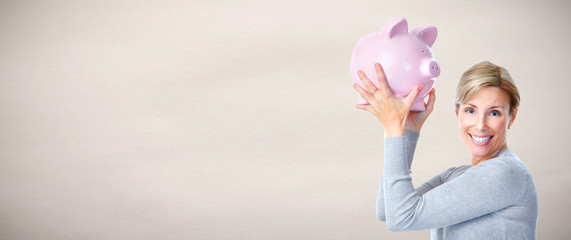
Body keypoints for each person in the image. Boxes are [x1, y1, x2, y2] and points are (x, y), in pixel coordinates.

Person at [353, 61, 538, 239]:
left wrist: (394, 128)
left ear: (511, 117)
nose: (480, 125)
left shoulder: (506, 173)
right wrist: (408, 130)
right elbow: (387, 209)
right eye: (471, 111)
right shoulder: (454, 175)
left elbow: (401, 217)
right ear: (458, 113)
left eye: (494, 113)